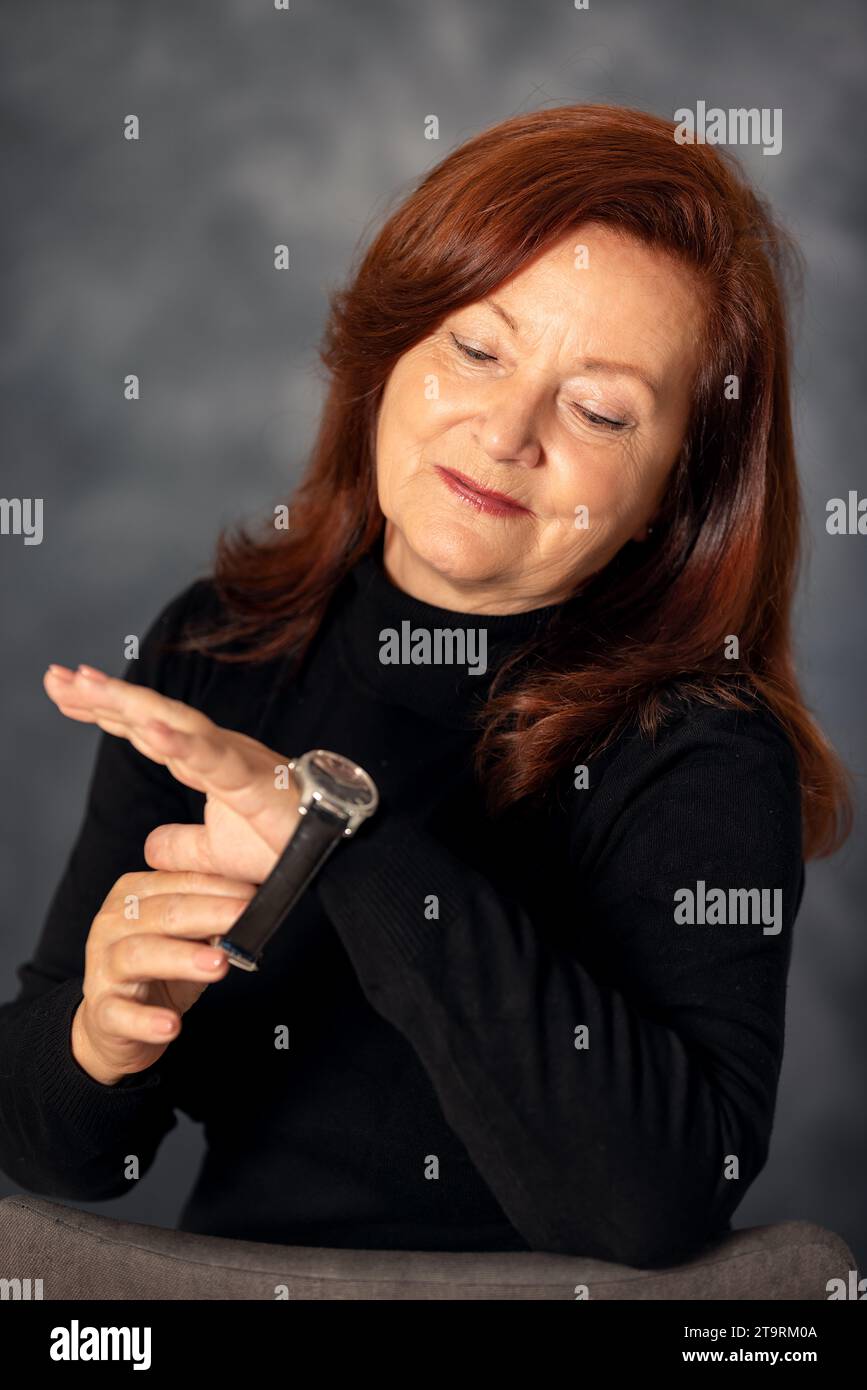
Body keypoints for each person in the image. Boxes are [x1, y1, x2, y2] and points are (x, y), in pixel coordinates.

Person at [0, 104, 852, 1271]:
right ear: (389, 348)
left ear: (673, 491)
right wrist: (100, 1037)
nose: (506, 431)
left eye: (600, 410)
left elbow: (651, 1209)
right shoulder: (221, 648)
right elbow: (60, 1156)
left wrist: (332, 832)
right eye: (476, 347)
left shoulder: (701, 743)